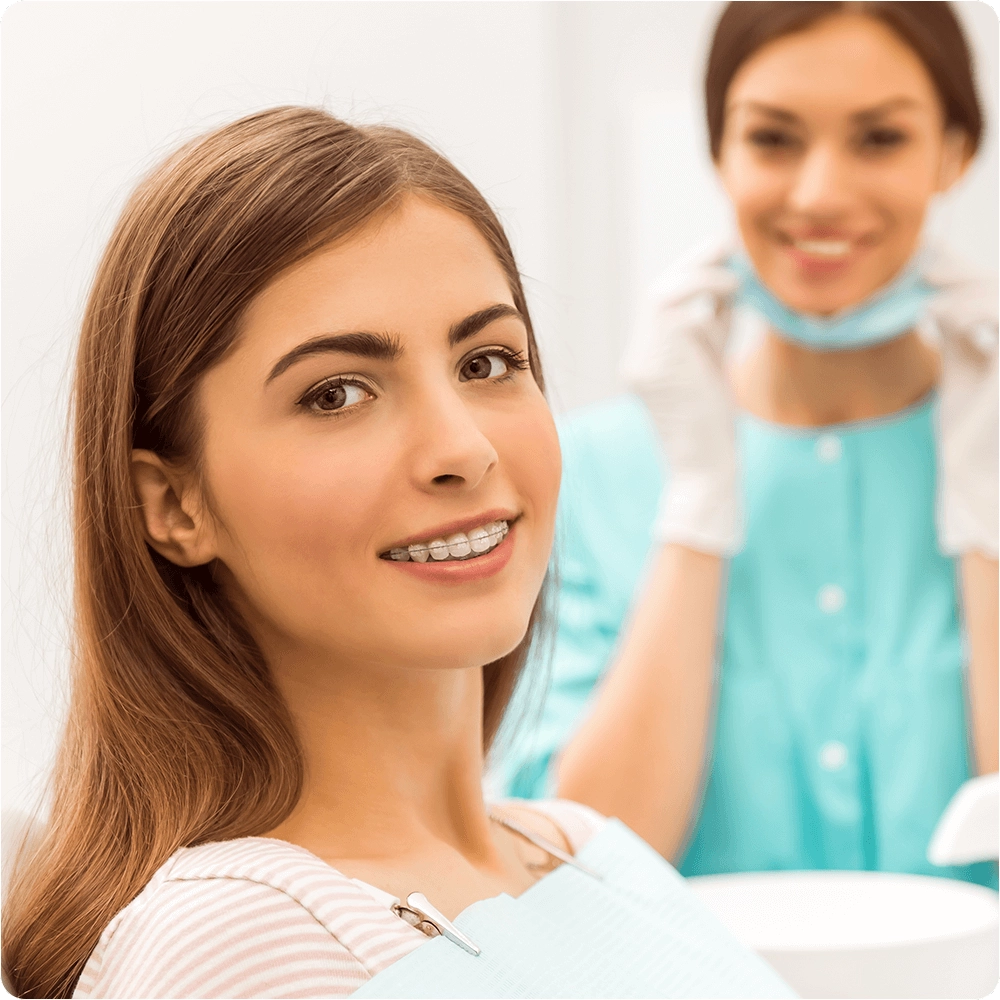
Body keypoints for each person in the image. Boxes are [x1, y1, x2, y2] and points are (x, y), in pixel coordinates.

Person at [1, 107, 793, 1000]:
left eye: (488, 362)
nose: (462, 448)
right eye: (336, 393)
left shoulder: (589, 853)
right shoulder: (238, 944)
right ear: (176, 504)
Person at [501, 1, 998, 889]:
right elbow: (572, 876)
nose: (818, 193)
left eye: (879, 138)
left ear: (955, 151)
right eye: (773, 139)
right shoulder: (587, 477)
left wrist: (987, 526)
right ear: (720, 153)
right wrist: (695, 509)